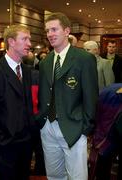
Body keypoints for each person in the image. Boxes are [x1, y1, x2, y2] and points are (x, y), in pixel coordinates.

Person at [37, 12, 99, 180]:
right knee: (54, 175)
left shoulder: (84, 59)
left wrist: (85, 128)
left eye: (54, 29)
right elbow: (44, 94)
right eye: (48, 30)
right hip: (48, 128)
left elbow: (91, 96)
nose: (50, 34)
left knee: (77, 176)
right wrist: (42, 123)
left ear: (66, 31)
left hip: (74, 127)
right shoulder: (45, 62)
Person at [0, 24, 33, 180]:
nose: (29, 43)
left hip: (26, 143)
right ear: (11, 42)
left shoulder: (27, 71)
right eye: (25, 39)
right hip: (4, 145)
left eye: (29, 38)